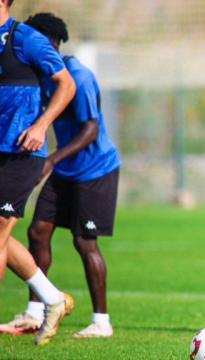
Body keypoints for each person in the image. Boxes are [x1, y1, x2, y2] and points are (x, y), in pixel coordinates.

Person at [0, 12, 120, 339]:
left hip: (96, 169)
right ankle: (36, 311)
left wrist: (51, 158)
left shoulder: (78, 77)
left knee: (84, 242)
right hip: (62, 167)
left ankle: (101, 321)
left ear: (49, 43)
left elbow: (92, 130)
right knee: (37, 232)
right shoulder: (38, 76)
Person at [0, 0, 76, 346]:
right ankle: (52, 299)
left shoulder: (26, 39)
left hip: (20, 153)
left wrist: (41, 126)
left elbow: (67, 85)